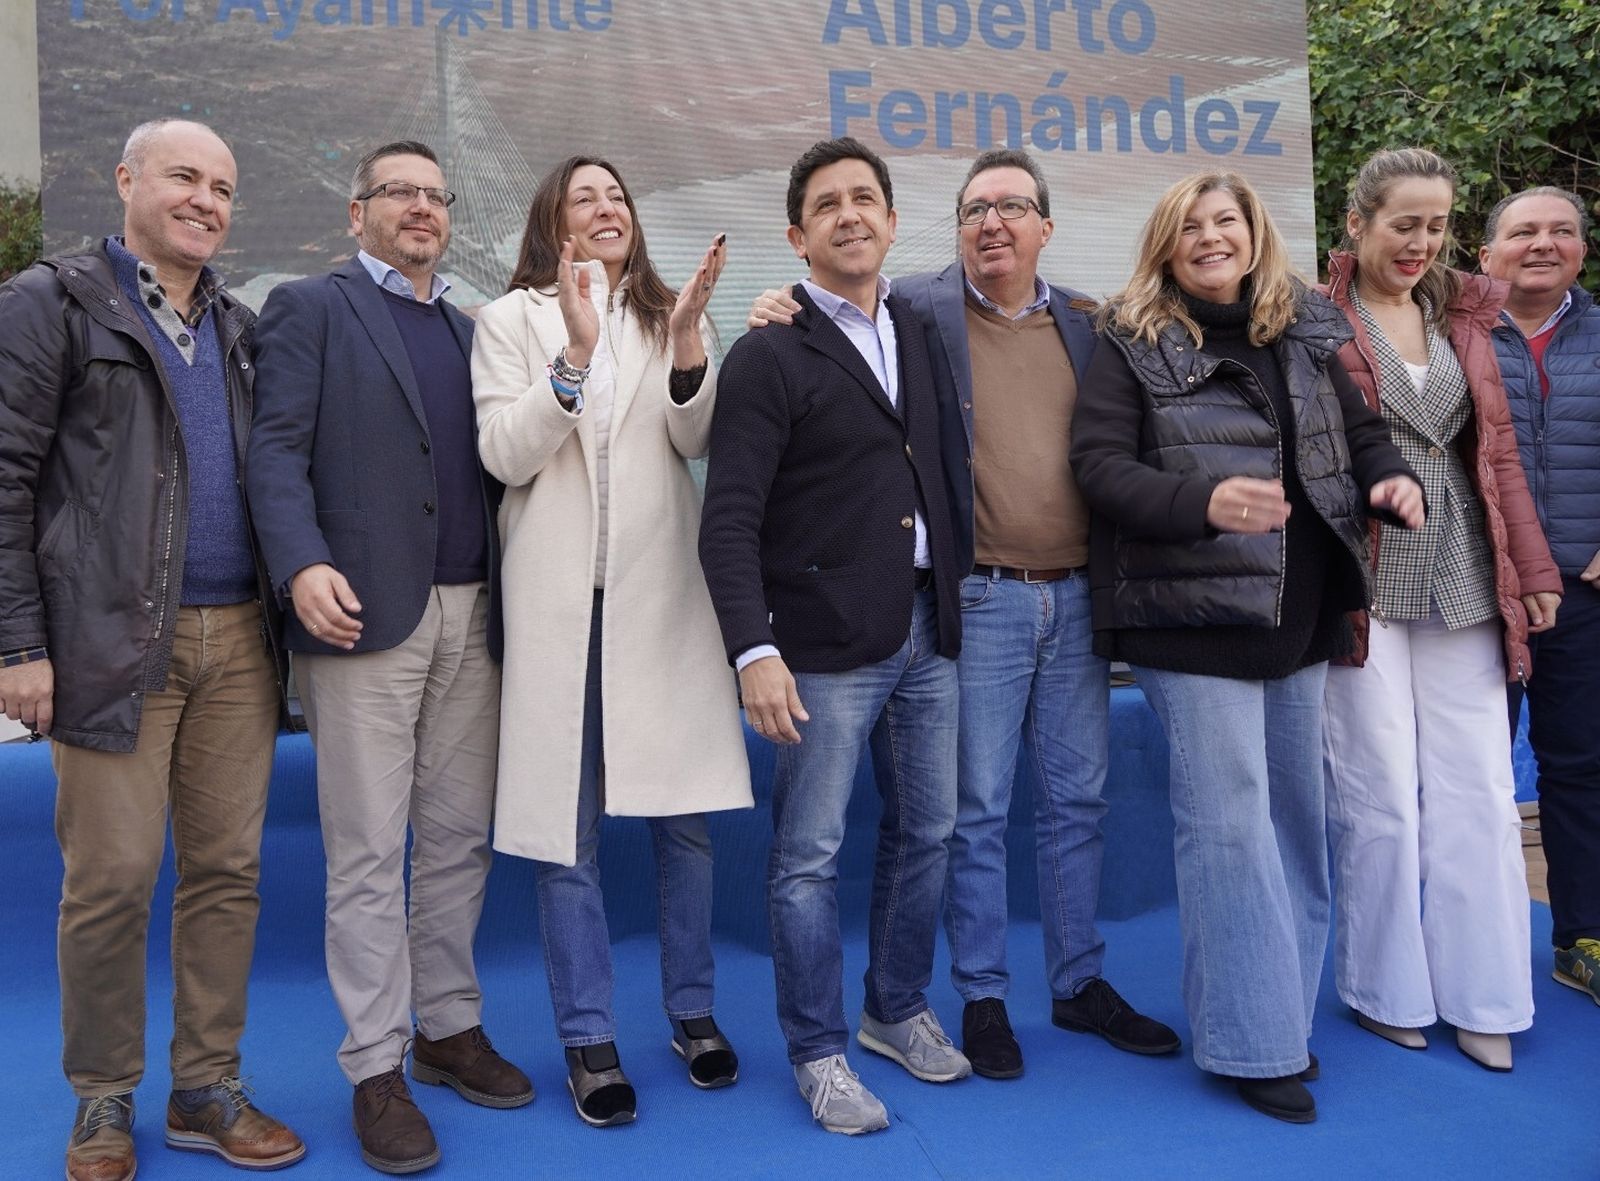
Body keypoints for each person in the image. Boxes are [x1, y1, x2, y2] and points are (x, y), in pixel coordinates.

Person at [747, 149, 1179, 1078]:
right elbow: (820, 318)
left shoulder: (1088, 323)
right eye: (975, 208)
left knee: (1072, 802)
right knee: (969, 812)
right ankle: (980, 995)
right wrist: (772, 302)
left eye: (1014, 207)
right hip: (972, 599)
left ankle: (1075, 981)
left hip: (1071, 595)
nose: (994, 223)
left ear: (1045, 228)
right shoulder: (920, 309)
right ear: (947, 229)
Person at [1070, 170, 1424, 1124]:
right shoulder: (1131, 341)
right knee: (1228, 829)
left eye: (1225, 220)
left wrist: (1391, 480)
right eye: (1190, 224)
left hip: (1301, 614)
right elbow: (1098, 468)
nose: (1210, 235)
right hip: (1189, 620)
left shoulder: (1306, 328)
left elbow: (1361, 434)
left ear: (1253, 232)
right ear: (1165, 244)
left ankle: (1278, 1012)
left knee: (1297, 827)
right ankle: (1249, 1042)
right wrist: (1203, 503)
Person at [0, 119, 305, 1181]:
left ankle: (204, 1085)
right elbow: (3, 478)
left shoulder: (236, 323)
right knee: (114, 877)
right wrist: (18, 642)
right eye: (184, 176)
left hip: (241, 644)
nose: (205, 200)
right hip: (107, 642)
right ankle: (102, 1096)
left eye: (223, 185)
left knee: (226, 872)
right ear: (126, 179)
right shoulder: (52, 303)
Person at [246, 140, 530, 1174]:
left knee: (457, 839)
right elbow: (273, 449)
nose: (420, 207)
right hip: (360, 616)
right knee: (369, 852)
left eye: (434, 195)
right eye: (398, 192)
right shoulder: (311, 307)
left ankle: (447, 1026)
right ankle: (376, 1065)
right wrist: (300, 563)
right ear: (356, 212)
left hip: (473, 615)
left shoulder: (470, 327)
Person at [469, 156, 753, 1127]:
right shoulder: (508, 321)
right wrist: (574, 354)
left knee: (683, 820)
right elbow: (503, 452)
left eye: (618, 197)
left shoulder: (672, 314)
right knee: (567, 828)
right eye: (584, 196)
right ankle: (588, 1037)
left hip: (661, 603)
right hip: (558, 610)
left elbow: (694, 439)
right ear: (551, 221)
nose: (606, 208)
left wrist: (681, 351)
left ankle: (693, 1012)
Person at [700, 136, 970, 1135]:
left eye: (866, 198)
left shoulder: (922, 329)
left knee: (928, 828)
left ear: (892, 221)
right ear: (797, 233)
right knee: (808, 854)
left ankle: (895, 1007)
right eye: (828, 203)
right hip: (818, 645)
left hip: (928, 630)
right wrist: (753, 648)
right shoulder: (769, 348)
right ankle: (818, 1050)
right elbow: (726, 516)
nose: (850, 214)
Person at [1320, 148, 1562, 1072]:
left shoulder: (1463, 316)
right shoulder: (1312, 314)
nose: (1421, 242)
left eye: (1436, 224)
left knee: (1482, 792)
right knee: (1378, 793)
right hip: (1365, 578)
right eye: (1403, 223)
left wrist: (1531, 564)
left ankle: (1488, 992)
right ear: (1358, 224)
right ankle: (1387, 990)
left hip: (1464, 567)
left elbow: (1497, 456)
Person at [1480, 185, 1600, 1008]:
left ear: (1583, 251)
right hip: (1481, 598)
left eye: (1562, 231)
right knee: (1469, 777)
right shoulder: (1453, 333)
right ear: (1487, 251)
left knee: (1582, 769)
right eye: (1524, 231)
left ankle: (1580, 937)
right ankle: (1466, 944)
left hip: (1585, 599)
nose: (1543, 244)